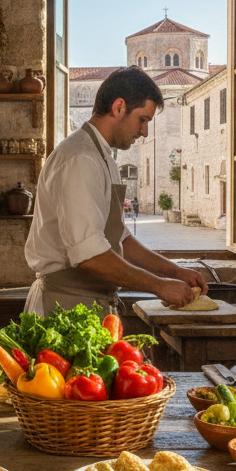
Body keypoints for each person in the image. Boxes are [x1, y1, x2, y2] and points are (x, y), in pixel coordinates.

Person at [24, 66, 206, 316]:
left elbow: (120, 239)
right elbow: (90, 256)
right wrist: (159, 285)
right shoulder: (80, 158)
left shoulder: (103, 157)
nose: (145, 132)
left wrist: (175, 272)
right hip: (64, 307)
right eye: (142, 120)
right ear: (119, 107)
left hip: (88, 303)